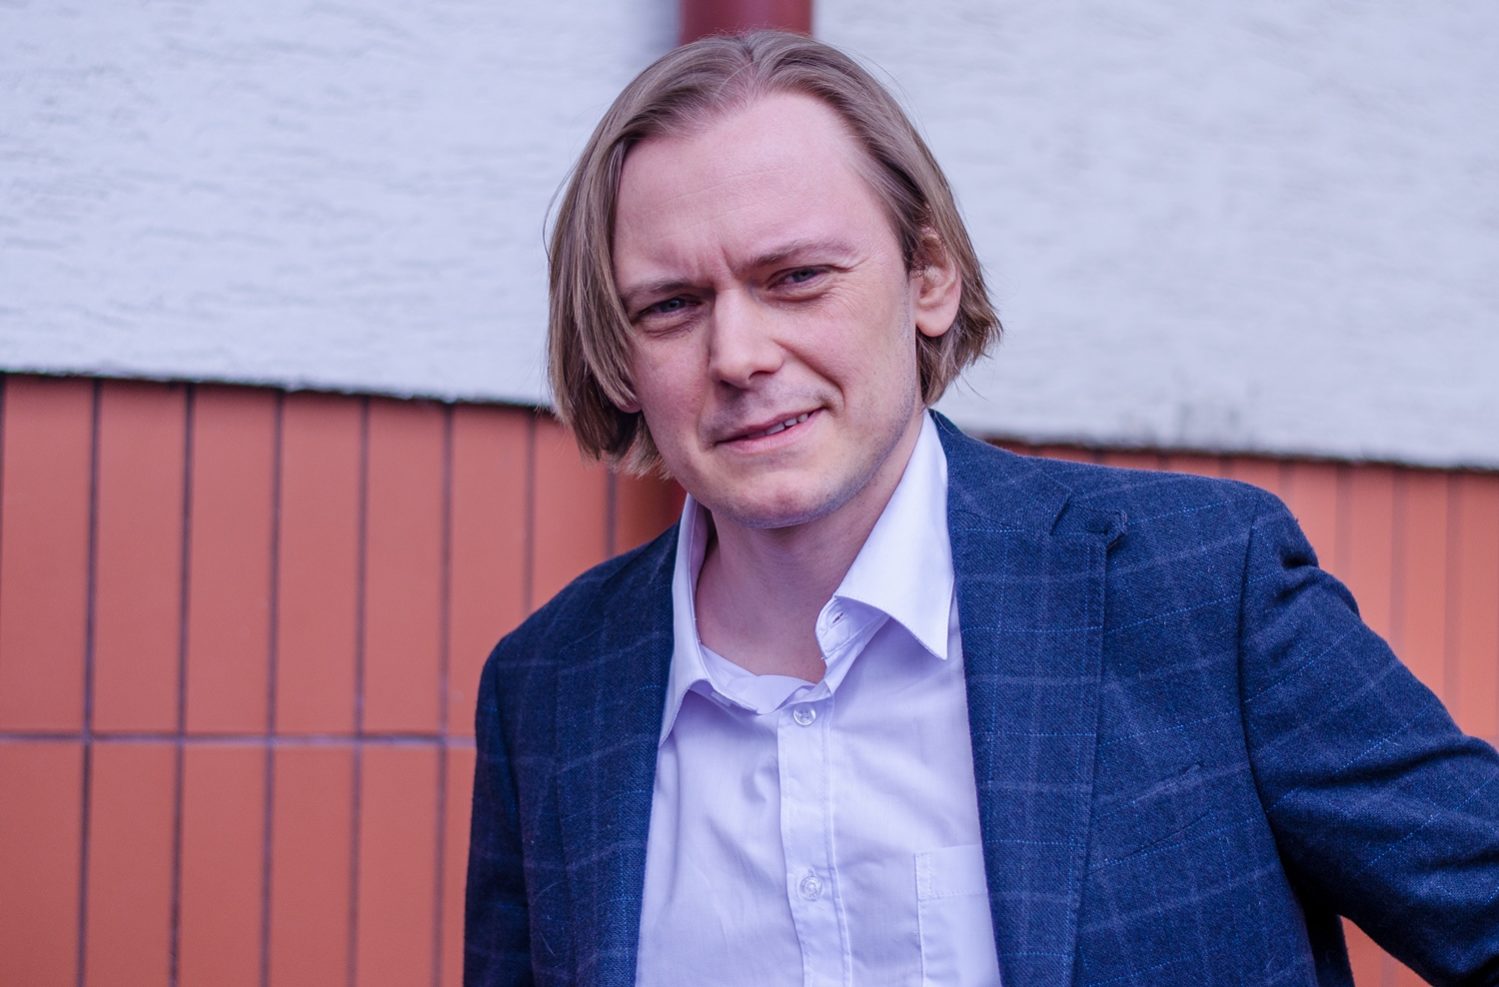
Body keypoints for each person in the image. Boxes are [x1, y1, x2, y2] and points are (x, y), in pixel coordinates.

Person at [464, 30, 1499, 987]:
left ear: (929, 279)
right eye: (671, 305)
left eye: (797, 277)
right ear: (619, 355)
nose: (736, 355)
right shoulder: (548, 688)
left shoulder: (1196, 587)